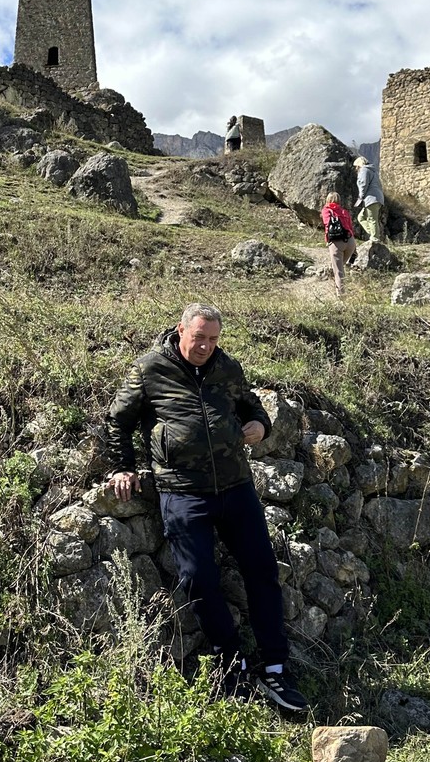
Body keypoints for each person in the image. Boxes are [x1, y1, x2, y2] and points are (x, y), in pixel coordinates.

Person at [105, 302, 307, 714]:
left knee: (263, 572)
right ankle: (230, 664)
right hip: (182, 492)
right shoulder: (149, 369)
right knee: (198, 578)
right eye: (199, 338)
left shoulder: (227, 367)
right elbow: (116, 420)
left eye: (213, 339)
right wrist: (123, 468)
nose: (205, 347)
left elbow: (251, 406)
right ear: (181, 330)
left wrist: (260, 425)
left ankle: (274, 668)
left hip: (236, 487)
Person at [319, 190, 356, 297]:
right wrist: (355, 249)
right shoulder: (344, 212)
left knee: (338, 271)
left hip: (336, 242)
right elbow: (350, 229)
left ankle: (341, 296)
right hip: (350, 242)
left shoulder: (326, 210)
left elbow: (326, 224)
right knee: (340, 267)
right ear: (339, 201)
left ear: (328, 200)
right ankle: (337, 285)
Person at [353, 155, 386, 241]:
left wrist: (361, 196)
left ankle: (375, 238)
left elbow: (363, 184)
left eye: (356, 166)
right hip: (377, 198)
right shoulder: (373, 172)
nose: (356, 169)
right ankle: (373, 234)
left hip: (371, 198)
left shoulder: (364, 170)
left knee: (372, 219)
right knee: (361, 217)